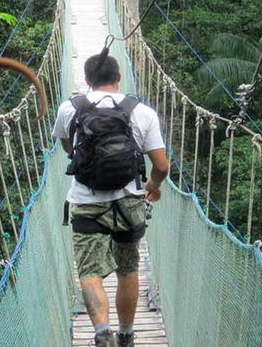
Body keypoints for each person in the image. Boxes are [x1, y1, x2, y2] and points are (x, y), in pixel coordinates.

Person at [53, 53, 169, 347]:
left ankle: (103, 333)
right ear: (118, 79)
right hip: (129, 200)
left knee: (89, 272)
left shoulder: (70, 108)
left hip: (86, 201)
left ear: (88, 81)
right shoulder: (141, 112)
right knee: (128, 268)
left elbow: (68, 148)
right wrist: (153, 185)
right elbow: (162, 165)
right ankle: (127, 335)